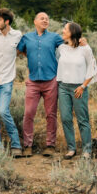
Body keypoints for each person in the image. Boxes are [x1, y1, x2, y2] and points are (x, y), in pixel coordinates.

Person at [17, 11, 64, 156]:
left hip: (51, 81)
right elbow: (19, 51)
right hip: (33, 81)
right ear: (35, 21)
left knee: (51, 114)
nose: (45, 20)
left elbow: (69, 46)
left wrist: (81, 41)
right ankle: (28, 145)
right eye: (42, 18)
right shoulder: (26, 37)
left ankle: (50, 145)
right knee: (28, 113)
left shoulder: (55, 37)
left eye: (47, 19)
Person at [0, 8, 24, 157]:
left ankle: (16, 145)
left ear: (6, 21)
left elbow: (23, 50)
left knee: (3, 111)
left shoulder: (17, 35)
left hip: (7, 79)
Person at [55, 21, 97, 159]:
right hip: (63, 87)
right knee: (66, 118)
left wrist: (83, 86)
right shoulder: (61, 48)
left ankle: (87, 150)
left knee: (82, 119)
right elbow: (56, 64)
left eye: (65, 29)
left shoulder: (85, 49)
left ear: (72, 32)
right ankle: (71, 148)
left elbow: (92, 69)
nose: (63, 30)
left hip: (79, 87)